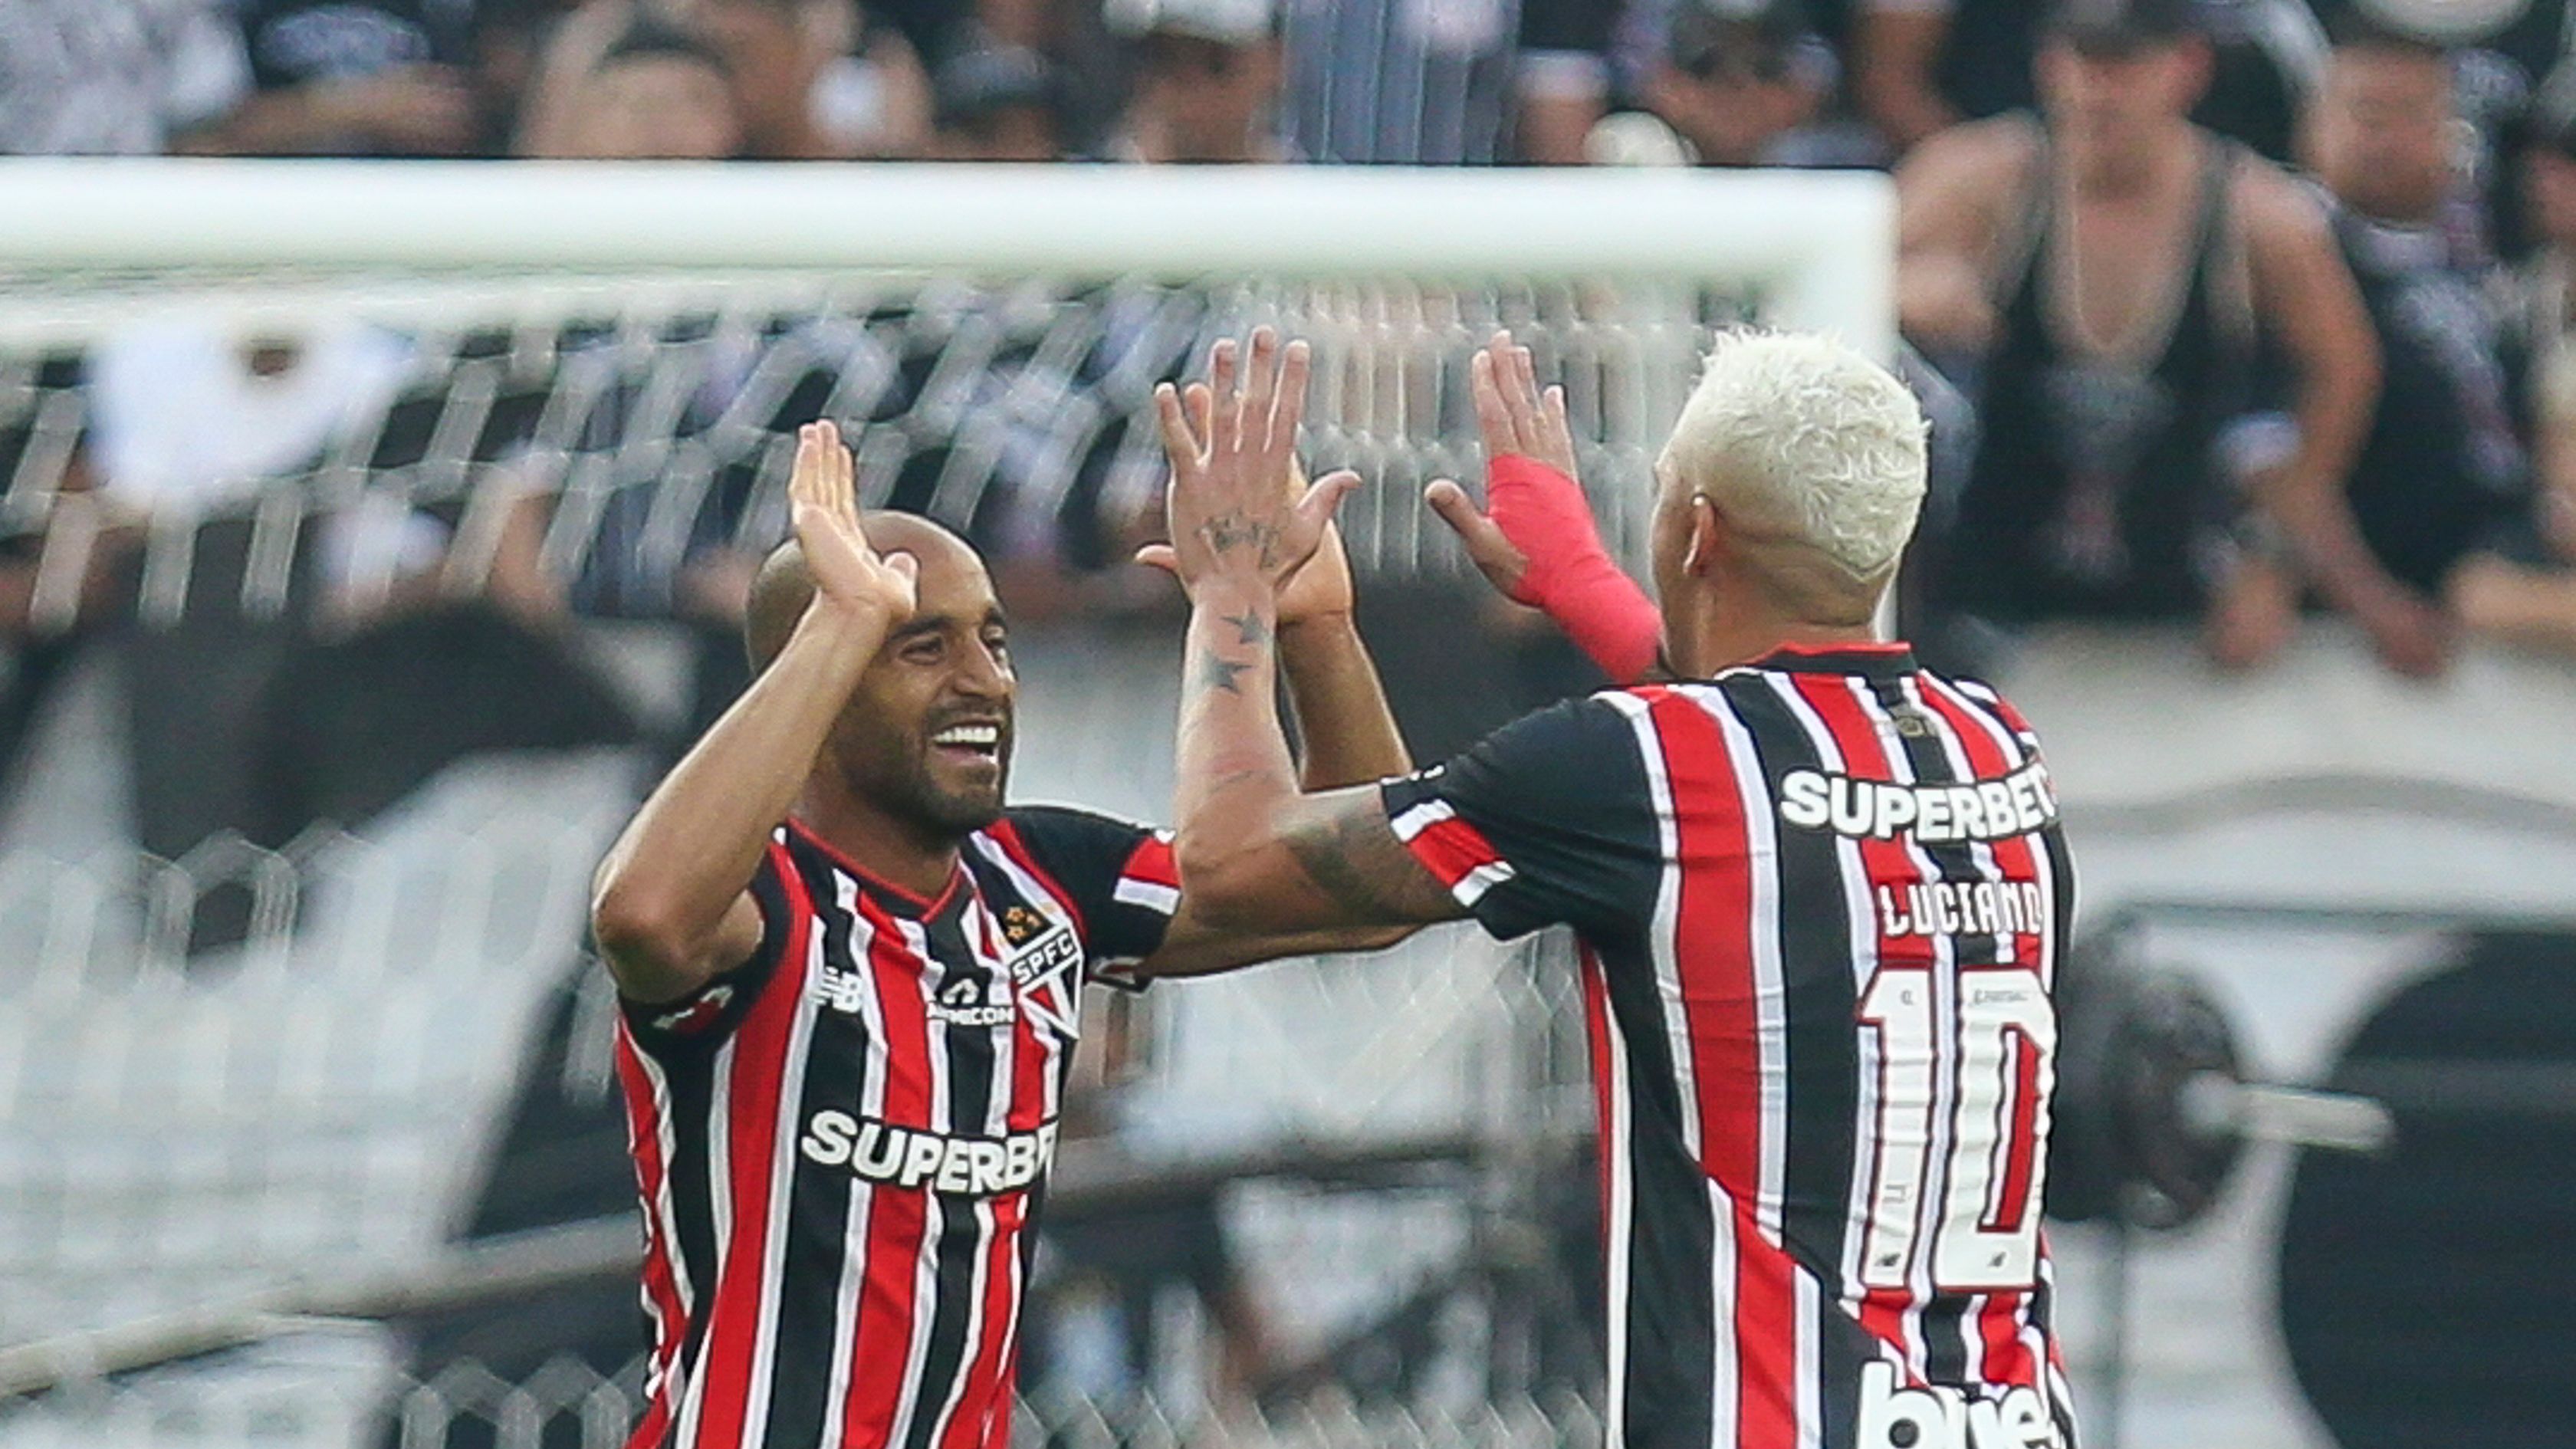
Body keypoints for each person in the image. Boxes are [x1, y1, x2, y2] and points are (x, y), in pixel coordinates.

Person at [1154, 326, 2082, 1446]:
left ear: (1696, 532)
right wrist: (1587, 586)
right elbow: (1765, 760)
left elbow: (1229, 857)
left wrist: (1239, 594)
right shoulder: (1995, 749)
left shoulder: (1633, 766)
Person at [586, 333, 1418, 1448]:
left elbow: (1368, 894)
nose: (983, 679)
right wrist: (838, 623)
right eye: (918, 646)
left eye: (994, 640)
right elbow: (639, 916)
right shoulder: (760, 904)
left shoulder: (1043, 880)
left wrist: (1311, 621)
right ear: (819, 676)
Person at [1897, 0, 2442, 676]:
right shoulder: (1978, 180)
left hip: (2175, 596)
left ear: (2188, 67)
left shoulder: (2260, 217)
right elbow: (1836, 297)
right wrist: (1902, 294)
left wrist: (2272, 559)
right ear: (2048, 65)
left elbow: (2345, 372)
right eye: (2084, 61)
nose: (2101, 88)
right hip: (1988, 597)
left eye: (2126, 65)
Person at [2298, 19, 2576, 656]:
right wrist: (2370, 602)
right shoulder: (2298, 257)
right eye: (2368, 116)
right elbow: (2279, 453)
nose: (2388, 141)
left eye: (2414, 116)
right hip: (2364, 627)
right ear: (2317, 123)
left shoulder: (2483, 270)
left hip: (2502, 578)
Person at [1590, 0, 1883, 169]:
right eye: (1706, 66)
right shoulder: (1633, 157)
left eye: (1767, 69)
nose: (1740, 88)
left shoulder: (1842, 172)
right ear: (1664, 85)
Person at [1101, 0, 1293, 163]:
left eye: (1215, 64)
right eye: (1160, 59)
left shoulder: (1305, 196)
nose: (1187, 101)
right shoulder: (1095, 194)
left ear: (1273, 63)